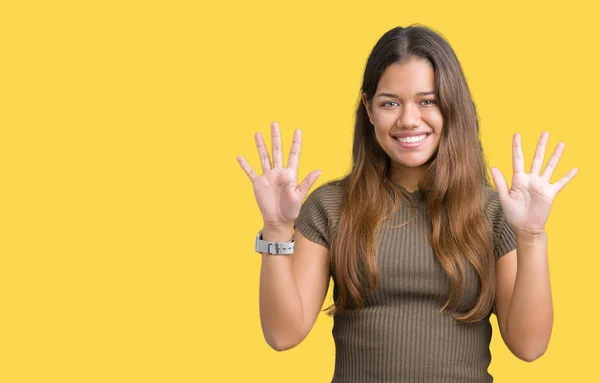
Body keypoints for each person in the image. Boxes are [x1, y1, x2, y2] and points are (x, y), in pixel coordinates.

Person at [236, 25, 577, 383]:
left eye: (427, 101)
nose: (409, 119)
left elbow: (530, 346)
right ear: (368, 109)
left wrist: (533, 235)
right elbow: (283, 335)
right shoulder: (330, 206)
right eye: (390, 103)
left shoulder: (496, 213)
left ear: (451, 105)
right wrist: (276, 228)